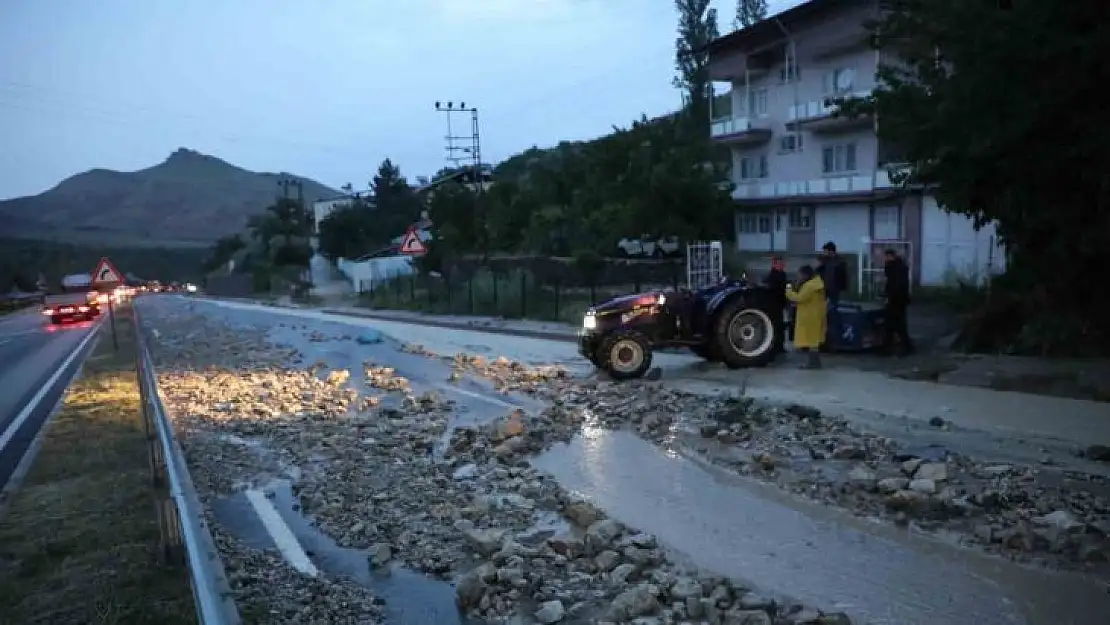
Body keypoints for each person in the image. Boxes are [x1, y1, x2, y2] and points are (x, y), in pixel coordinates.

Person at [785, 265, 827, 369]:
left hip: (809, 316)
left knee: (811, 340)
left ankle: (813, 364)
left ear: (805, 274)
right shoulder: (818, 283)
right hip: (817, 315)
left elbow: (799, 298)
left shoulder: (809, 286)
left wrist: (789, 290)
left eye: (799, 274)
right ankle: (815, 363)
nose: (798, 277)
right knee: (814, 341)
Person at [816, 241, 849, 350]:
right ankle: (824, 341)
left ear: (830, 251)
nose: (824, 253)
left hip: (833, 292)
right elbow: (818, 273)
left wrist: (841, 288)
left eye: (825, 251)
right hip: (824, 291)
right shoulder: (825, 261)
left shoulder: (839, 262)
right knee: (824, 317)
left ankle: (833, 343)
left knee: (832, 316)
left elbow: (842, 277)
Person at [881, 248, 914, 355]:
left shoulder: (894, 268)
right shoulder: (900, 267)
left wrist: (888, 296)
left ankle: (892, 348)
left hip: (895, 300)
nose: (884, 259)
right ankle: (901, 347)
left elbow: (893, 285)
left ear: (890, 256)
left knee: (893, 325)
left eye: (886, 257)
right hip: (900, 300)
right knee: (898, 325)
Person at [762, 255, 788, 354]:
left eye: (782, 263)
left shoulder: (781, 274)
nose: (783, 265)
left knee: (780, 325)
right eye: (780, 263)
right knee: (777, 325)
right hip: (775, 303)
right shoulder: (773, 276)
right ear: (775, 264)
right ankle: (777, 346)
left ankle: (779, 346)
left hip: (780, 303)